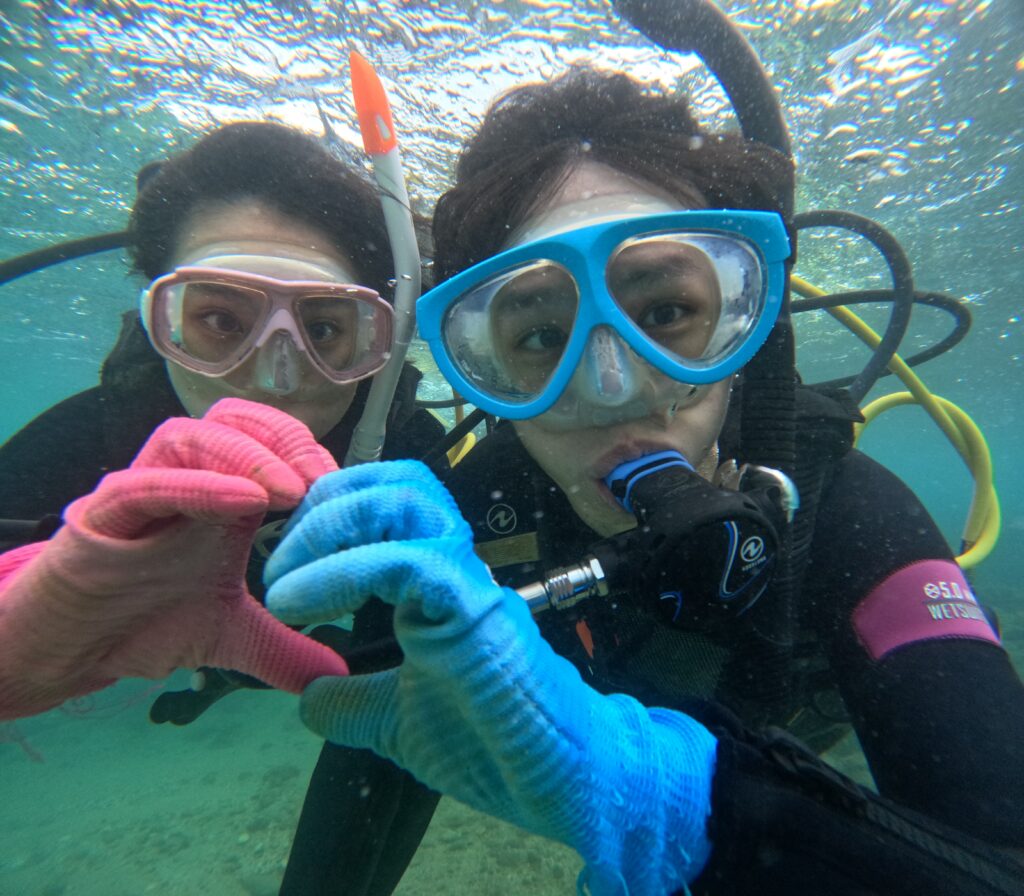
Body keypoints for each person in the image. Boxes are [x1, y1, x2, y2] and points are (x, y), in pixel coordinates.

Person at [262, 69, 1024, 895]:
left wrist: (687, 813)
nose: (615, 387)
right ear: (481, 364)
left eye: (664, 314)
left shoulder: (844, 510)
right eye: (544, 335)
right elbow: (379, 736)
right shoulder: (467, 530)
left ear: (746, 322)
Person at [0, 121, 445, 889]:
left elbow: (411, 708)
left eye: (326, 328)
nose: (273, 379)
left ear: (378, 337)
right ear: (157, 320)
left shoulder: (408, 458)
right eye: (218, 321)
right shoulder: (82, 446)